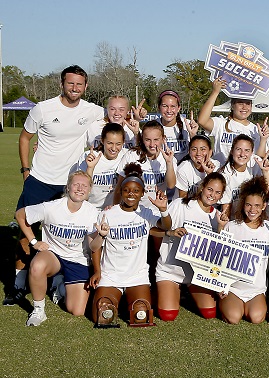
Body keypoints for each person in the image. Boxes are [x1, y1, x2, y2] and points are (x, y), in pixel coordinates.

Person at [8, 65, 103, 306]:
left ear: (86, 86)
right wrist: (25, 170)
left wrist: (136, 117)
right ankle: (18, 284)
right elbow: (24, 137)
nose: (75, 88)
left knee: (69, 230)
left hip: (69, 185)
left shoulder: (91, 110)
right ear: (62, 84)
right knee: (26, 230)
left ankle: (60, 276)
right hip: (39, 180)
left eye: (79, 84)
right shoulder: (43, 109)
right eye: (70, 83)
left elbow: (114, 115)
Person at [89, 163, 172, 326]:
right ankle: (114, 300)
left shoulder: (146, 213)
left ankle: (127, 301)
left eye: (135, 191)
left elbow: (166, 226)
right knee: (103, 315)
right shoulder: (107, 214)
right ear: (120, 191)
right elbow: (96, 247)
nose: (130, 194)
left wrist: (163, 209)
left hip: (137, 276)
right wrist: (97, 271)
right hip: (111, 275)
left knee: (141, 313)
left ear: (142, 193)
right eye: (126, 190)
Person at [16, 171, 101, 326]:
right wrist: (34, 241)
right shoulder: (51, 207)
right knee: (37, 266)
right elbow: (20, 214)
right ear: (68, 187)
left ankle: (58, 286)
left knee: (77, 311)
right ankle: (38, 310)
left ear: (89, 190)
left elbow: (93, 246)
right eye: (76, 184)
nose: (80, 188)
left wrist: (100, 236)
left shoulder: (93, 212)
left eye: (84, 185)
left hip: (78, 259)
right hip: (53, 255)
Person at [154, 173, 227, 321]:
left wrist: (220, 227)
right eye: (210, 189)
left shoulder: (218, 217)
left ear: (221, 196)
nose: (212, 195)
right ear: (202, 188)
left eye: (217, 192)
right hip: (170, 270)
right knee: (168, 315)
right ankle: (160, 291)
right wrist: (171, 232)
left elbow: (219, 253)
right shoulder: (181, 204)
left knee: (210, 313)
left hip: (196, 275)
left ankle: (188, 291)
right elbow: (157, 228)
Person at [219, 177, 269, 324]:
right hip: (234, 287)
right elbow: (221, 258)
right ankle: (231, 305)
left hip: (256, 289)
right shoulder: (232, 226)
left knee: (256, 318)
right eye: (249, 205)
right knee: (233, 318)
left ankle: (250, 305)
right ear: (243, 205)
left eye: (257, 205)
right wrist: (221, 285)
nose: (252, 210)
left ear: (264, 206)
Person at [197, 78, 268, 164]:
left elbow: (259, 158)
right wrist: (215, 92)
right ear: (232, 105)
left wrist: (263, 139)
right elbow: (202, 121)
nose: (244, 107)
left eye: (248, 103)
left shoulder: (255, 130)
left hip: (244, 175)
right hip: (221, 174)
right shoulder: (221, 123)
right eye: (240, 103)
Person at [114, 120, 176, 209]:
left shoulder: (169, 158)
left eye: (156, 140)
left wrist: (169, 163)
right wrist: (116, 209)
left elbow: (171, 185)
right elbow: (119, 186)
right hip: (135, 209)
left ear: (163, 139)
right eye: (147, 140)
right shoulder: (132, 155)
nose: (152, 144)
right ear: (142, 139)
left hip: (157, 210)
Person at [77, 123, 128, 209]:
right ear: (102, 140)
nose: (114, 148)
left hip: (115, 209)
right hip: (90, 208)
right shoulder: (88, 156)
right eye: (110, 143)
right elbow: (82, 188)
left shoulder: (127, 155)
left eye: (118, 144)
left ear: (123, 142)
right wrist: (90, 167)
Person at [217, 134, 269, 212]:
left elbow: (265, 193)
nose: (242, 154)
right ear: (232, 151)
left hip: (252, 215)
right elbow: (226, 206)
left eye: (247, 150)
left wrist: (265, 172)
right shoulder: (224, 174)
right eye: (238, 149)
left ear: (252, 152)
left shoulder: (256, 165)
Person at [156, 90, 199, 162]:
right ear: (159, 107)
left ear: (178, 108)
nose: (169, 110)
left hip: (184, 170)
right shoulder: (153, 126)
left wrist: (193, 135)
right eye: (165, 106)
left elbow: (198, 152)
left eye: (173, 106)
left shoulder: (188, 125)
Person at [176, 134, 220, 198]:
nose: (198, 153)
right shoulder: (183, 168)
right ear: (189, 151)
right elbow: (183, 197)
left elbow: (216, 195)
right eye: (194, 149)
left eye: (203, 149)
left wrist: (210, 174)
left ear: (210, 152)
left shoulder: (217, 166)